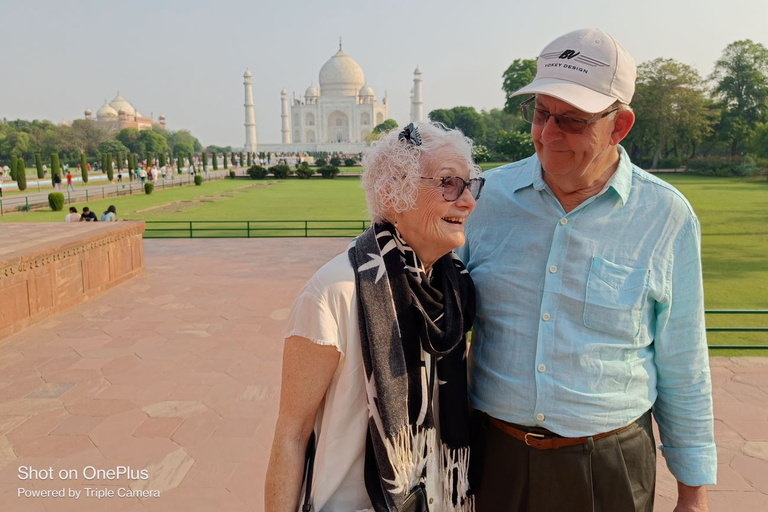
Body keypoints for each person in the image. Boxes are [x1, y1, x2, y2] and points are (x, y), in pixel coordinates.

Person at [460, 29, 715, 512]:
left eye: (573, 120)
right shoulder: (484, 199)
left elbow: (684, 363)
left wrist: (693, 494)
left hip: (610, 465)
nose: (549, 134)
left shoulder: (664, 217)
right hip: (494, 457)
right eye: (541, 113)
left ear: (619, 126)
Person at [265, 122, 485, 512]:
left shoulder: (455, 287)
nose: (467, 201)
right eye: (448, 184)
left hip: (440, 498)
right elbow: (291, 434)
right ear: (391, 194)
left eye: (470, 186)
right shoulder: (337, 291)